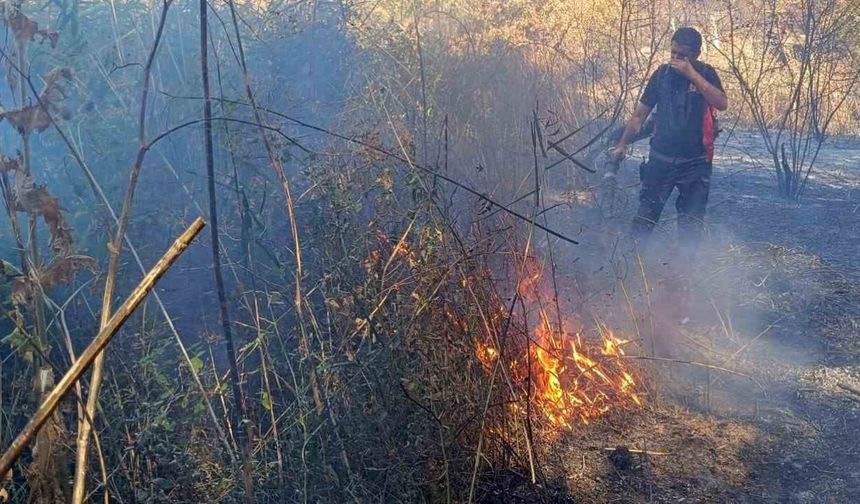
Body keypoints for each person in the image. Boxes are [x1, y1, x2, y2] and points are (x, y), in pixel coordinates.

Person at [609, 27, 728, 257]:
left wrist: (692, 75)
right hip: (660, 161)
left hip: (696, 163)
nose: (676, 59)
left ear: (696, 54)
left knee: (691, 227)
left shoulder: (706, 73)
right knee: (645, 218)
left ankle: (683, 280)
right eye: (673, 53)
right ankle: (629, 268)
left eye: (682, 55)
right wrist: (622, 144)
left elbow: (721, 103)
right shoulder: (661, 75)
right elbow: (639, 115)